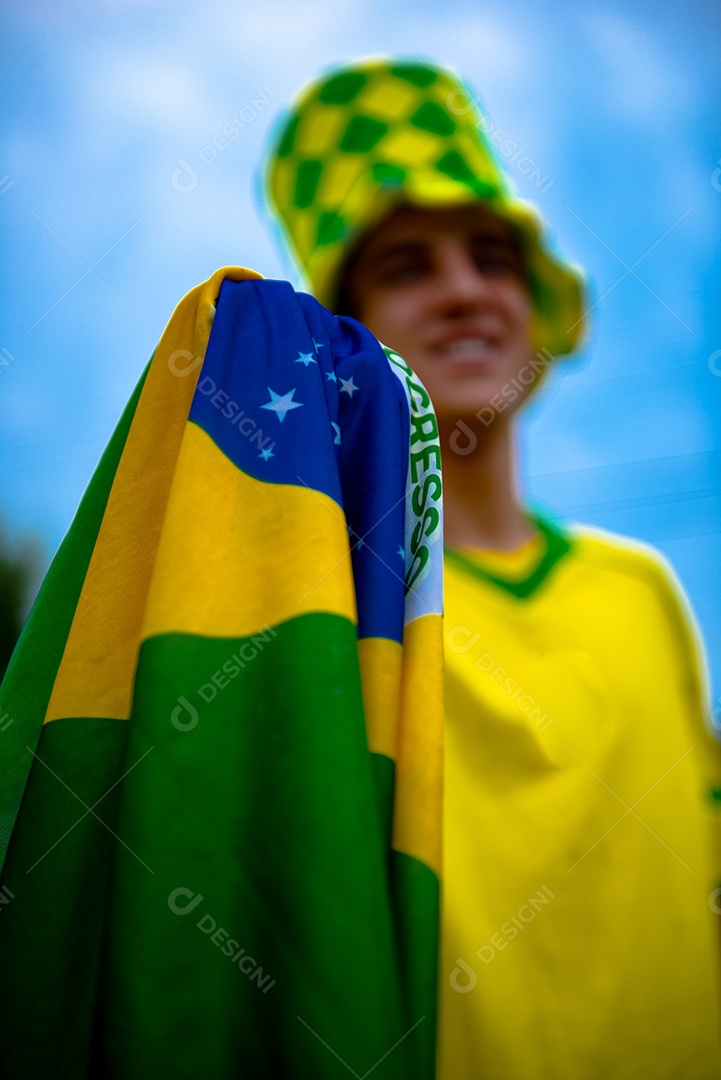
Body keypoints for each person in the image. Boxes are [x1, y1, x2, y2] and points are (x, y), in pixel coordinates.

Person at [267, 58, 721, 1078]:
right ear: (348, 336)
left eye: (491, 256)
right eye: (405, 267)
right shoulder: (327, 609)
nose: (465, 291)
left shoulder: (641, 589)